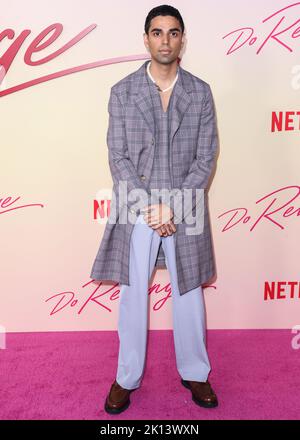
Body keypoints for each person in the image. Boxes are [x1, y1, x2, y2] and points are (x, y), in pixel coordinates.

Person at [90, 4, 219, 414]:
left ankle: (196, 373)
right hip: (138, 207)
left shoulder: (200, 92)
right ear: (145, 39)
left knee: (189, 294)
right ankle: (126, 377)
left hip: (186, 205)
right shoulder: (122, 92)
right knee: (132, 296)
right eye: (158, 32)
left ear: (183, 39)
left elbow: (206, 156)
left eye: (173, 32)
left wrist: (174, 207)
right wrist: (151, 208)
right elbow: (118, 157)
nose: (166, 40)